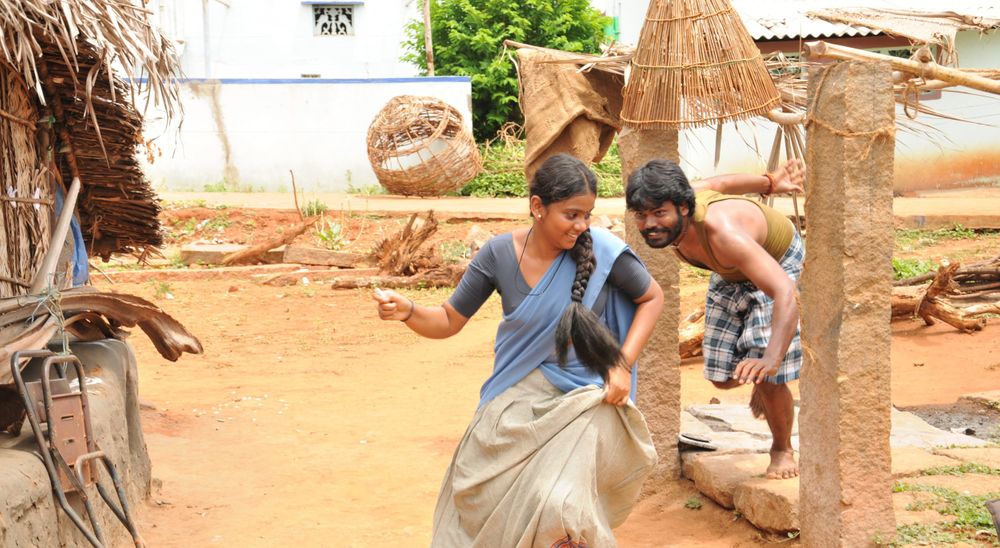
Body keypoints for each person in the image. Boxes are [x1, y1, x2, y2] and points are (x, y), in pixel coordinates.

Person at [374, 153, 664, 546]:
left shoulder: (603, 251)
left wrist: (621, 365)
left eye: (587, 215)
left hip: (585, 401)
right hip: (515, 397)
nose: (581, 226)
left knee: (559, 505)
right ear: (537, 207)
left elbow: (652, 297)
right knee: (474, 492)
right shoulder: (498, 254)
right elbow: (448, 320)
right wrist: (408, 311)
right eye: (571, 215)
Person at [625, 158, 805, 480]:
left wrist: (772, 358)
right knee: (721, 377)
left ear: (683, 208)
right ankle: (761, 377)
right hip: (729, 270)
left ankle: (782, 448)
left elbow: (785, 292)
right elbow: (719, 183)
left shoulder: (724, 234)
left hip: (777, 262)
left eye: (659, 213)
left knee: (768, 375)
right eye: (641, 215)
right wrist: (769, 183)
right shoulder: (684, 199)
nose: (649, 224)